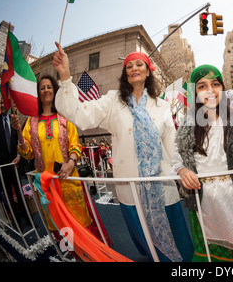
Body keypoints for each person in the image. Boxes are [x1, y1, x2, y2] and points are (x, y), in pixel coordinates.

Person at [52, 42, 193, 262]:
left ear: (147, 71)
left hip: (163, 190)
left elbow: (172, 146)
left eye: (139, 64)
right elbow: (79, 115)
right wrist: (65, 77)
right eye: (129, 66)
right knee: (148, 244)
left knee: (179, 244)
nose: (134, 68)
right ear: (125, 73)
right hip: (132, 192)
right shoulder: (112, 102)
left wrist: (181, 170)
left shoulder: (162, 106)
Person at [172, 64, 233, 262]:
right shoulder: (187, 126)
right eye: (202, 86)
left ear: (222, 89)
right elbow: (176, 159)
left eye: (215, 84)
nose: (209, 90)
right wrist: (182, 172)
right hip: (205, 202)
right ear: (194, 92)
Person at [11, 75, 111, 247]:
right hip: (46, 185)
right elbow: (27, 154)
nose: (46, 90)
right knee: (60, 225)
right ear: (39, 93)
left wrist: (71, 163)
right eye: (42, 87)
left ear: (54, 91)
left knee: (79, 221)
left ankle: (88, 253)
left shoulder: (65, 117)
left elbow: (75, 145)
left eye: (49, 87)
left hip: (69, 181)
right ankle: (74, 254)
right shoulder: (31, 122)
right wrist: (19, 132)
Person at [0, 99, 28, 229]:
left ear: (9, 106)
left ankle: (27, 217)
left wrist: (19, 156)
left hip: (16, 165)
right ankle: (17, 221)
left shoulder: (15, 120)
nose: (2, 106)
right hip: (2, 167)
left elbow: (21, 141)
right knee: (8, 194)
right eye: (0, 104)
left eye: (4, 104)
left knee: (20, 193)